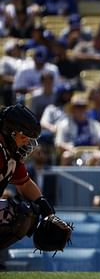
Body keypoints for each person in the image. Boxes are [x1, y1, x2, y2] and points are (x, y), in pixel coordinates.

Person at [0, 104, 59, 249]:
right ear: (11, 132)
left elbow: (24, 184)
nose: (27, 141)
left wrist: (47, 211)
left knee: (28, 212)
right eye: (24, 136)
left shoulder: (10, 154)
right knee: (19, 213)